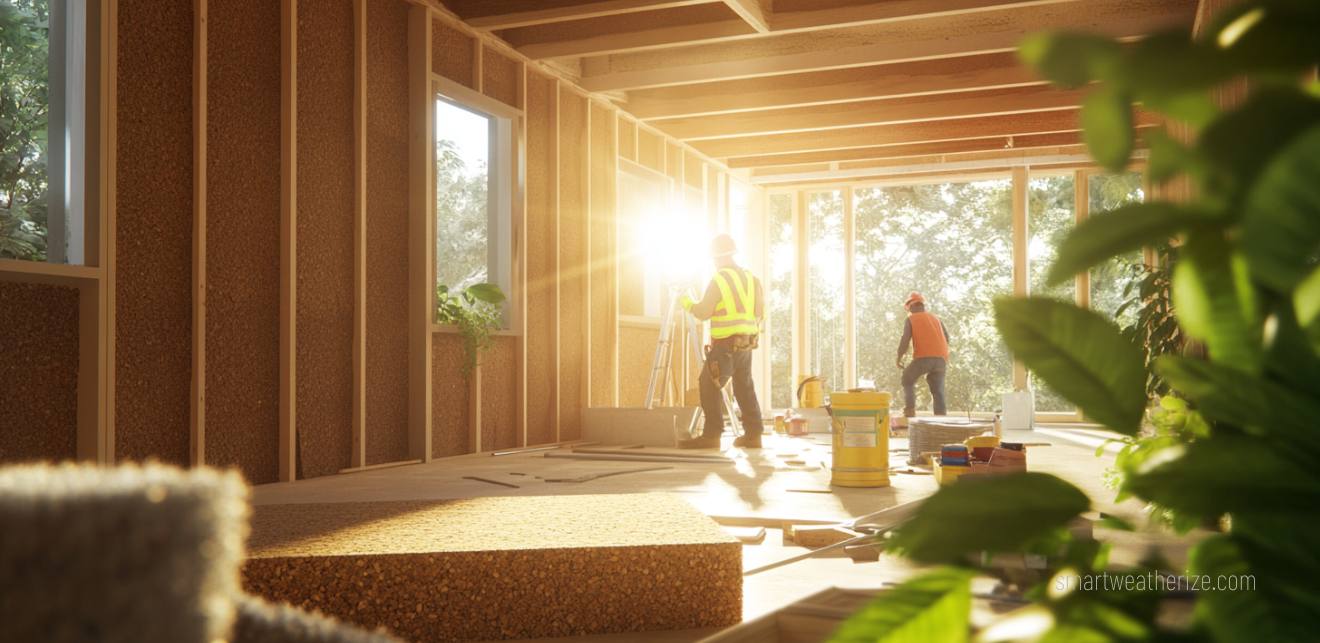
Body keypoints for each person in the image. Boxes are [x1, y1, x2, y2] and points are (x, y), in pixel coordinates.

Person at [677, 234, 765, 449]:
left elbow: (703, 312)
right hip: (746, 343)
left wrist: (685, 300)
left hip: (725, 345)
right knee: (744, 386)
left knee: (708, 384)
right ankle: (754, 435)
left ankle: (711, 435)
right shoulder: (752, 280)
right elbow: (759, 312)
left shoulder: (719, 280)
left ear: (715, 258)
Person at [896, 292, 950, 418]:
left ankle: (910, 410)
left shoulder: (911, 319)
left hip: (924, 358)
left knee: (907, 379)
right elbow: (947, 338)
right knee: (938, 390)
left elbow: (905, 340)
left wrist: (899, 357)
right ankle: (941, 418)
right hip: (941, 359)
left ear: (910, 307)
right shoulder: (936, 318)